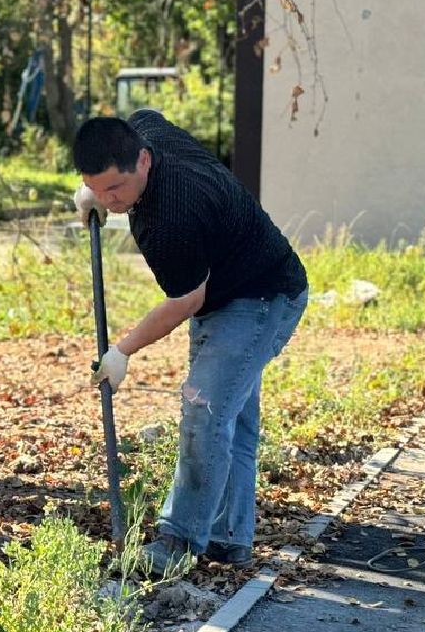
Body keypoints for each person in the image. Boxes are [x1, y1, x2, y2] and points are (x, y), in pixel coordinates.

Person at [73, 111, 309, 576]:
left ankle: (178, 539)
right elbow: (135, 125)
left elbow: (185, 300)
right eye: (96, 188)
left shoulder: (173, 215)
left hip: (262, 298)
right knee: (230, 418)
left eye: (115, 188)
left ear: (144, 160)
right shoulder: (143, 130)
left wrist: (122, 351)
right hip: (227, 289)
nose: (108, 200)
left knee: (204, 411)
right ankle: (228, 537)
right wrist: (93, 192)